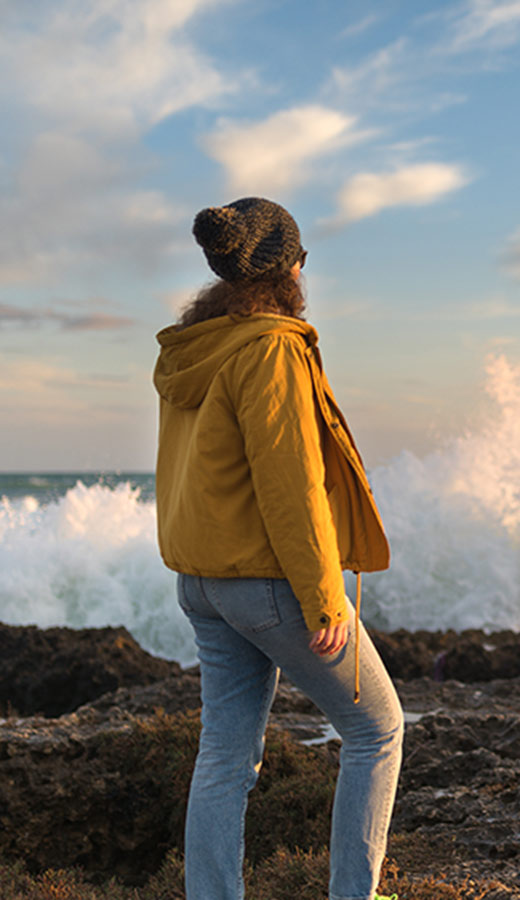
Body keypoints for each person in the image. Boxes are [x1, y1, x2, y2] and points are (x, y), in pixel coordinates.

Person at [153, 196, 402, 900]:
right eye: (301, 258)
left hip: (202, 581)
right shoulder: (272, 348)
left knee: (225, 758)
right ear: (287, 267)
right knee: (376, 730)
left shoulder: (194, 349)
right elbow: (289, 480)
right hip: (265, 581)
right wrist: (324, 598)